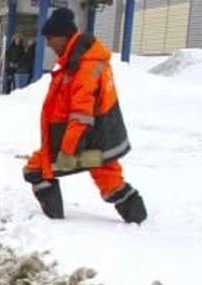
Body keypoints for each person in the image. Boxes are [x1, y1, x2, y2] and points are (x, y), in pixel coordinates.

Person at [22, 7, 147, 224]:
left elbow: (81, 115)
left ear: (63, 36)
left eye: (50, 38)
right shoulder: (78, 60)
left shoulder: (84, 66)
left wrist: (68, 152)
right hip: (90, 138)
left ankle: (55, 222)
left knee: (36, 170)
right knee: (110, 180)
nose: (48, 44)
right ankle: (137, 216)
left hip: (83, 139)